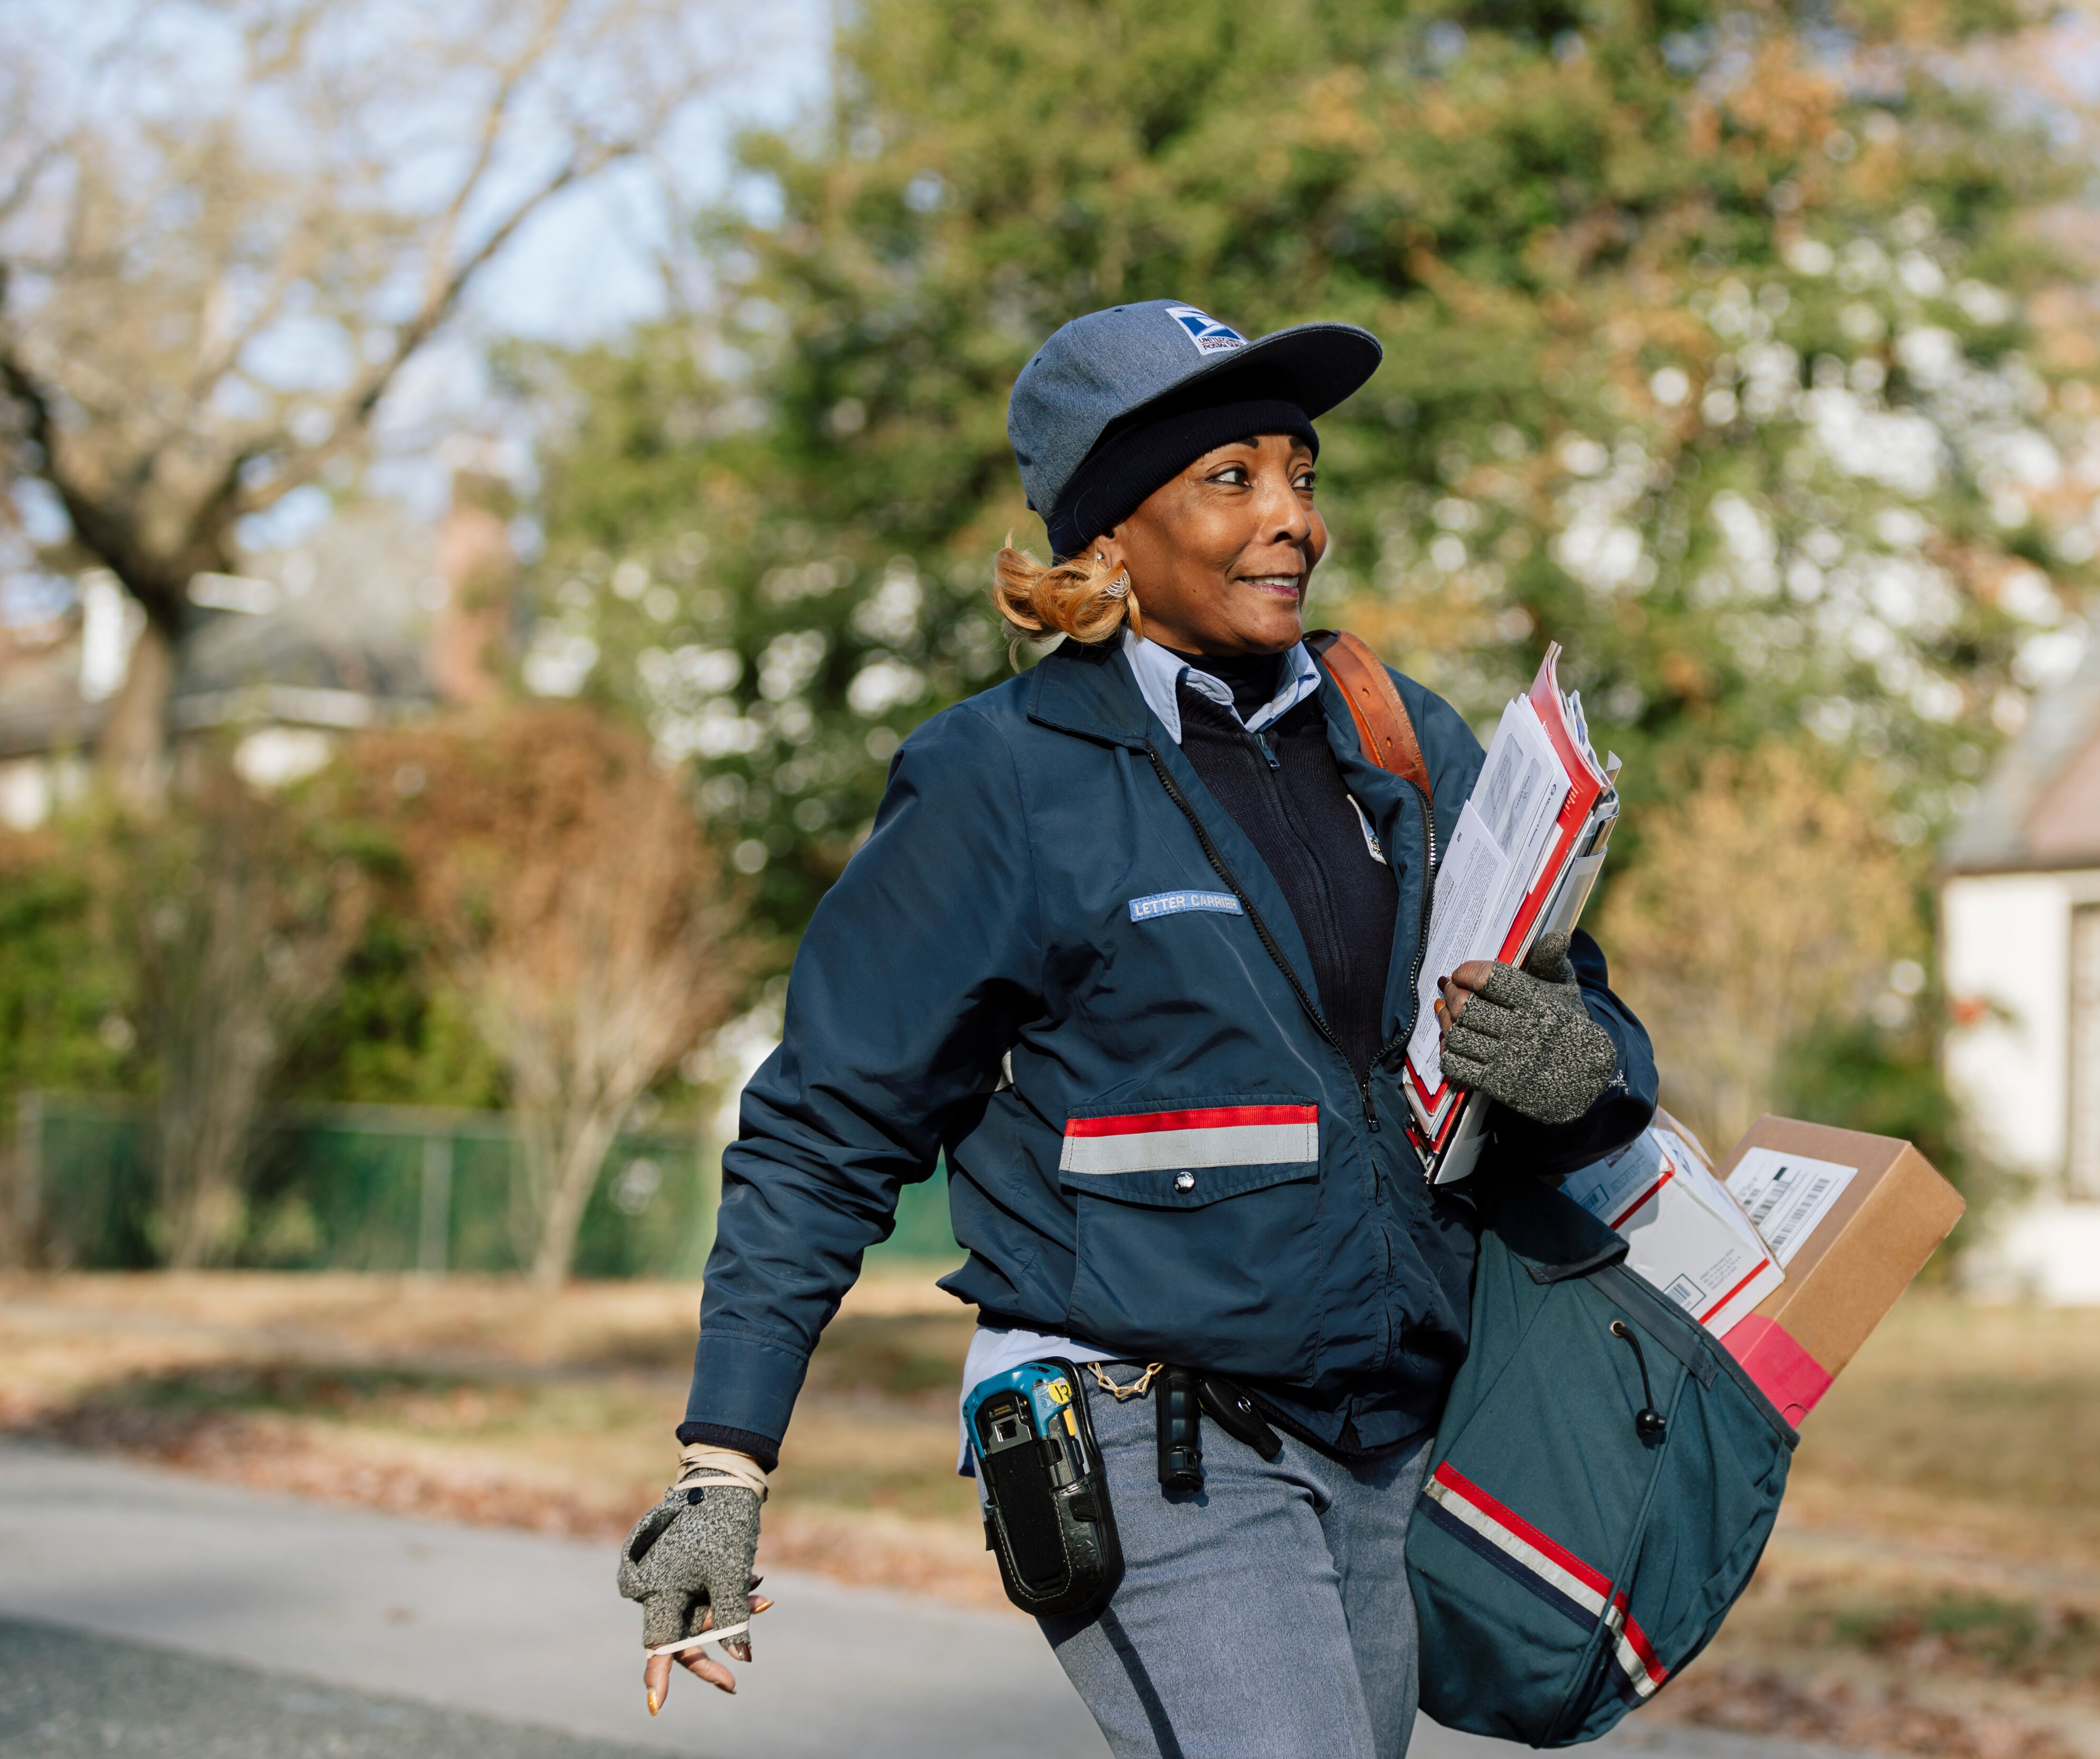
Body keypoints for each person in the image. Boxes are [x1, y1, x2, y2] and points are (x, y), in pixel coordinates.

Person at [617, 299, 1659, 1758]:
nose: (1291, 517)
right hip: (1136, 1432)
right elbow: (825, 1124)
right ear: (1108, 538)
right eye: (1230, 480)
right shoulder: (1001, 780)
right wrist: (725, 1461)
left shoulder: (1402, 738)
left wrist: (1580, 1066)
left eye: (1301, 473)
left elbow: (1593, 1035)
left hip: (1386, 1439)